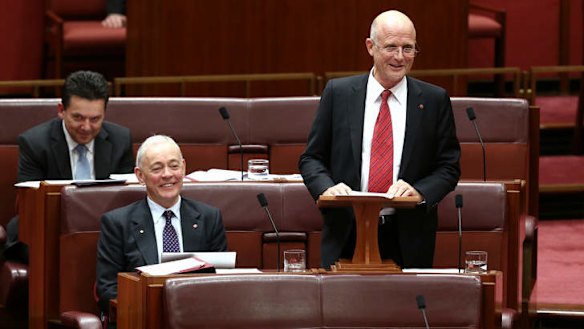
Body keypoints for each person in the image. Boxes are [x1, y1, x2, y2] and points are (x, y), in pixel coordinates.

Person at [299, 10, 461, 269]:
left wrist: (420, 191)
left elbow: (448, 167)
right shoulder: (338, 94)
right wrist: (326, 188)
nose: (400, 57)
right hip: (346, 230)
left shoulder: (433, 100)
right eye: (391, 47)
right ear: (370, 46)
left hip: (408, 234)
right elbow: (311, 158)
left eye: (408, 48)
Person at [3, 70, 134, 264]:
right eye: (78, 118)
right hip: (47, 229)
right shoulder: (35, 143)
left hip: (102, 230)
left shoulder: (120, 140)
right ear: (61, 110)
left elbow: (127, 201)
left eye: (95, 119)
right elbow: (30, 205)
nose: (87, 127)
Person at [96, 135, 228, 316]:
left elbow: (222, 280)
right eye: (157, 168)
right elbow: (108, 288)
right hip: (141, 318)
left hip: (197, 318)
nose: (167, 175)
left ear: (183, 167)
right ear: (140, 176)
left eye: (174, 166)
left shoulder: (209, 218)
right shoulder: (118, 223)